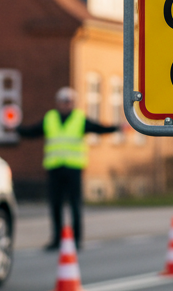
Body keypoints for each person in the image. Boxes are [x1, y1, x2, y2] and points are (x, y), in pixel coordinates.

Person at [17, 87, 117, 249]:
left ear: (73, 103)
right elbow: (32, 132)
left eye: (69, 102)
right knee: (55, 206)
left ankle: (77, 240)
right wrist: (17, 129)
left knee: (75, 205)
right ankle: (57, 239)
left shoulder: (79, 119)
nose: (66, 105)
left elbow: (98, 128)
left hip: (73, 168)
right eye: (63, 101)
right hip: (55, 167)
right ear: (58, 103)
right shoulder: (50, 119)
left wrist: (117, 128)